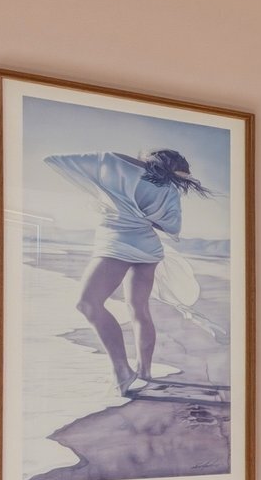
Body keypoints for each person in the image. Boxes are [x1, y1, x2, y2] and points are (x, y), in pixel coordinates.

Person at [43, 149, 209, 395]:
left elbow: (53, 159)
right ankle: (145, 372)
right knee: (138, 310)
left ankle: (122, 370)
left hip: (117, 243)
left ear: (151, 158)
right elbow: (173, 226)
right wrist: (143, 217)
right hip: (148, 247)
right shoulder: (169, 190)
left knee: (87, 304)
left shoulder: (113, 163)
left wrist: (133, 164)